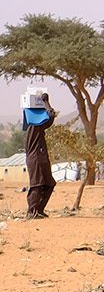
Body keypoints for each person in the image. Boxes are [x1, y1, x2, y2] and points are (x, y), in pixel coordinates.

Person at [21, 88, 55, 219]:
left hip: (40, 158)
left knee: (49, 183)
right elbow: (51, 116)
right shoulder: (34, 128)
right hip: (37, 159)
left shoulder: (35, 130)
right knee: (37, 184)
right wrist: (46, 102)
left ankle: (38, 210)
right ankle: (32, 211)